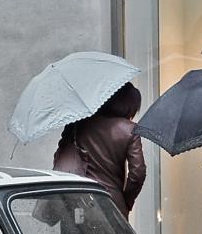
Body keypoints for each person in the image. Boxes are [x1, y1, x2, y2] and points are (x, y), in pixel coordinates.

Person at [52, 82, 146, 219]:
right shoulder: (130, 130)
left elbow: (59, 157)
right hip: (110, 204)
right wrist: (126, 201)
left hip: (76, 201)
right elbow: (138, 174)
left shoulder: (78, 124)